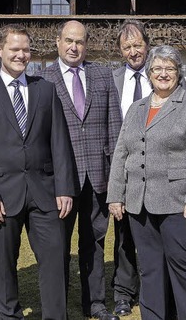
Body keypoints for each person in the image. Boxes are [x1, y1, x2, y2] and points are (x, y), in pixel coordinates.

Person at [0, 24, 75, 320]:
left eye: (26, 49)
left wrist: (64, 188)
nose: (21, 55)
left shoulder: (46, 90)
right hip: (2, 196)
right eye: (14, 49)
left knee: (54, 261)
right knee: (2, 266)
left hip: (45, 193)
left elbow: (60, 142)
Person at [107, 45, 186, 320]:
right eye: (157, 69)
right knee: (150, 268)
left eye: (169, 68)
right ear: (149, 73)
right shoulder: (136, 108)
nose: (163, 74)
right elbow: (122, 152)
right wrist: (115, 194)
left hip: (178, 202)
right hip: (139, 203)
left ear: (179, 73)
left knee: (185, 264)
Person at [39, 20, 122, 320]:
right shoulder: (43, 79)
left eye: (80, 42)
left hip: (97, 175)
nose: (74, 47)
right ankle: (58, 305)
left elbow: (115, 128)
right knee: (57, 246)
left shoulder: (102, 75)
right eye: (69, 41)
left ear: (87, 44)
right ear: (58, 42)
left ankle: (95, 303)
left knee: (95, 242)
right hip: (60, 180)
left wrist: (116, 177)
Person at [109, 19, 150, 317]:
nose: (133, 51)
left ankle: (153, 288)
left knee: (152, 233)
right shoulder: (112, 80)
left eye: (138, 45)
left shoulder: (163, 74)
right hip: (125, 168)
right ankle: (123, 291)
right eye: (127, 47)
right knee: (123, 234)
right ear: (120, 51)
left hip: (158, 168)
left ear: (147, 45)